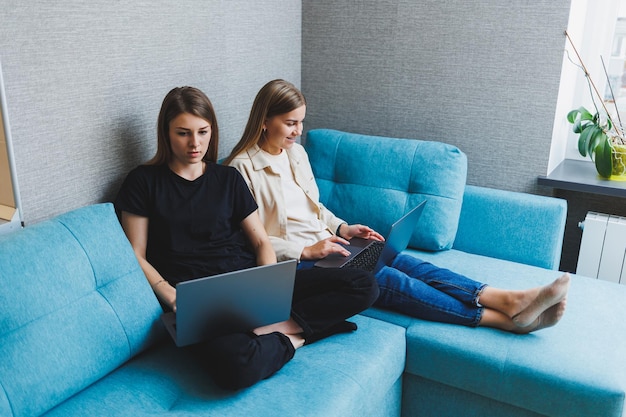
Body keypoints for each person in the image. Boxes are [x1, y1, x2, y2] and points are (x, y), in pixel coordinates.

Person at [224, 79, 570, 334]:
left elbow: (315, 207)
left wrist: (344, 228)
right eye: (291, 123)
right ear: (265, 119)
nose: (299, 131)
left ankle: (504, 298)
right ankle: (502, 319)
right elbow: (251, 242)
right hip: (298, 266)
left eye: (301, 122)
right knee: (387, 277)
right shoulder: (240, 168)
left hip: (332, 247)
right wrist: (307, 250)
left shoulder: (295, 154)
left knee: (402, 259)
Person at [114, 86, 379, 390]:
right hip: (201, 301)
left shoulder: (227, 179)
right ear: (166, 132)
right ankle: (296, 336)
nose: (195, 143)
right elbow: (136, 253)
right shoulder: (143, 182)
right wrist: (171, 294)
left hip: (248, 285)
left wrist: (267, 288)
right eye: (183, 133)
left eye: (203, 132)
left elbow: (260, 243)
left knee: (365, 284)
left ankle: (277, 329)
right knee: (237, 367)